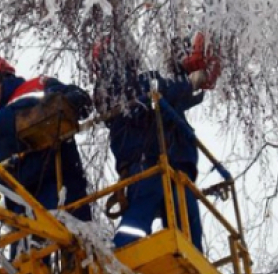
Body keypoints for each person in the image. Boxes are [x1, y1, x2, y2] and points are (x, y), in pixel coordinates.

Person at [93, 35, 220, 252]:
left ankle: (193, 265)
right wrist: (188, 81)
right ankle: (124, 252)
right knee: (143, 210)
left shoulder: (136, 81)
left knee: (187, 220)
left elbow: (181, 95)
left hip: (174, 162)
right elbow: (154, 90)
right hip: (145, 159)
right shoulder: (114, 84)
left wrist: (190, 75)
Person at [0, 56, 93, 224]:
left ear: (4, 76)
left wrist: (66, 103)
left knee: (70, 237)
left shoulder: (36, 86)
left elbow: (79, 99)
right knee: (28, 248)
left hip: (57, 183)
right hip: (19, 203)